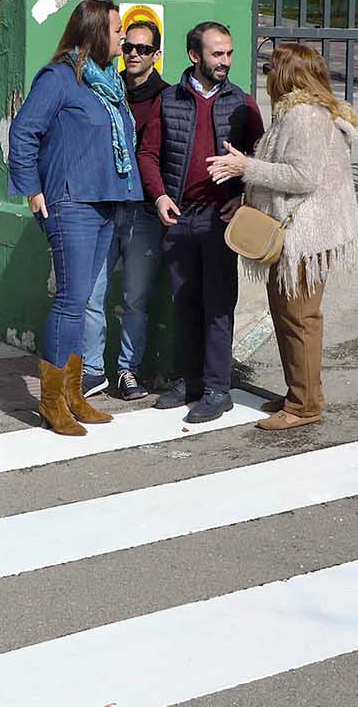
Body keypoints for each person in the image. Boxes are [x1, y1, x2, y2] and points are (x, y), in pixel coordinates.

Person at [207, 42, 358, 431]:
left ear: (288, 74)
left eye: (270, 69)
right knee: (292, 316)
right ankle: (303, 391)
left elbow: (302, 177)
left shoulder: (303, 117)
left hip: (306, 238)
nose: (267, 77)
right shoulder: (299, 113)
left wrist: (246, 166)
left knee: (299, 319)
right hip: (304, 235)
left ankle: (305, 405)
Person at [6, 0, 142, 436]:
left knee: (85, 300)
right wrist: (31, 189)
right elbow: (24, 131)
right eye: (118, 30)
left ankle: (74, 393)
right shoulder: (60, 77)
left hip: (106, 200)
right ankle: (50, 402)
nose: (124, 37)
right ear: (96, 32)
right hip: (71, 202)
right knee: (70, 300)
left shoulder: (107, 83)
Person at [137, 21, 264, 424]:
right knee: (184, 303)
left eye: (228, 53)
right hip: (180, 218)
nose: (225, 61)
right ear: (195, 56)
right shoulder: (168, 101)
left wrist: (243, 197)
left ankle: (216, 389)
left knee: (218, 306)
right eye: (217, 54)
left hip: (222, 221)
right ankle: (188, 381)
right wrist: (159, 196)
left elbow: (262, 160)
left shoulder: (243, 103)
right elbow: (148, 154)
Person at [84, 17, 168, 401]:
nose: (134, 54)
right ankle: (91, 370)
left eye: (144, 49)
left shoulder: (165, 98)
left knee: (135, 297)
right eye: (129, 46)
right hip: (103, 205)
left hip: (143, 211)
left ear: (156, 55)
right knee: (91, 293)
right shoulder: (104, 89)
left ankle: (128, 371)